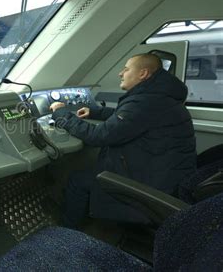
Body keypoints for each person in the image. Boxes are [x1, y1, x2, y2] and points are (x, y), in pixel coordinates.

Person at [50, 53, 196, 228]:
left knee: (77, 180)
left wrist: (60, 113)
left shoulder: (144, 102)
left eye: (126, 69)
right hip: (165, 178)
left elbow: (98, 136)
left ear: (143, 74)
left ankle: (65, 234)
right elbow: (131, 118)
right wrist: (96, 112)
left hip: (150, 186)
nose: (120, 74)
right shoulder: (159, 96)